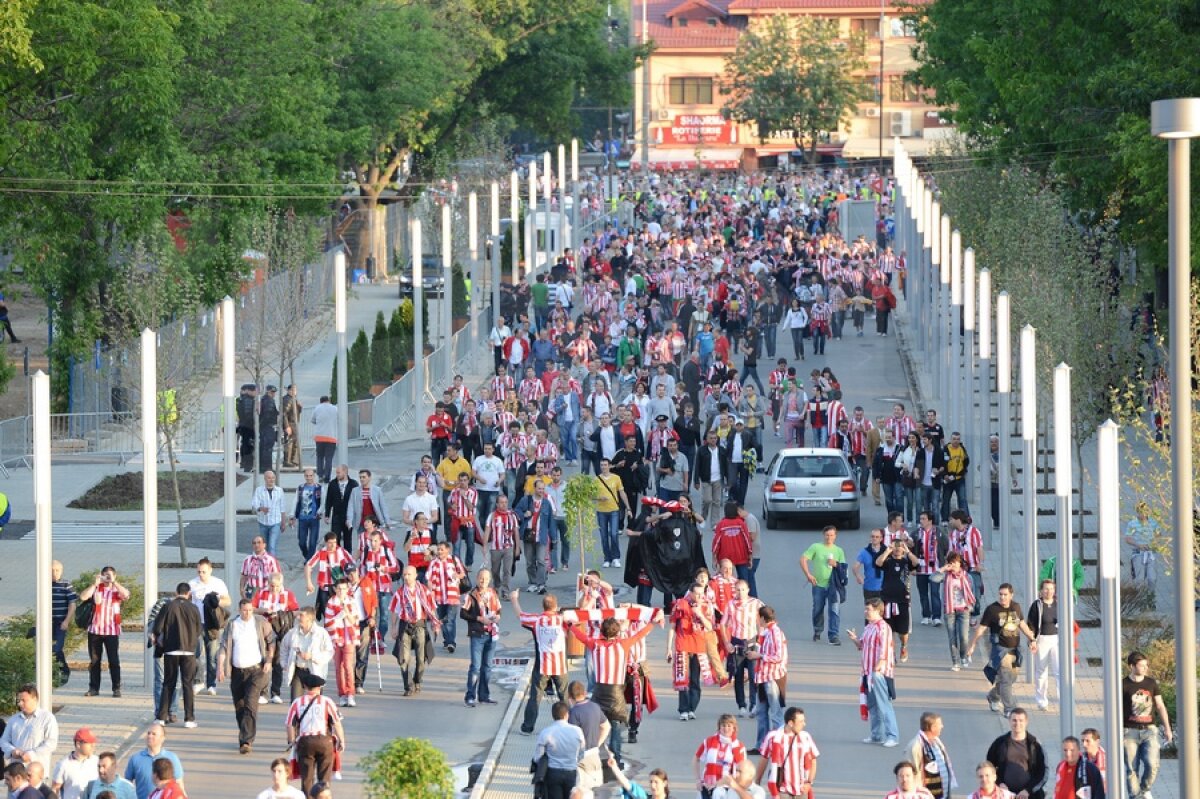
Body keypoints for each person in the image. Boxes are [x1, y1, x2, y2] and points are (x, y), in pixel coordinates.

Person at [965, 583, 1038, 716]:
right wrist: (972, 645)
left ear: (1011, 595)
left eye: (1005, 595)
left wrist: (1031, 639)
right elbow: (981, 629)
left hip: (1015, 649)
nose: (1002, 597)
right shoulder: (992, 610)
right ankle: (1009, 709)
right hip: (1000, 650)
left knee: (1011, 678)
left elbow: (1021, 624)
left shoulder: (1016, 607)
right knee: (1006, 679)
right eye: (1000, 594)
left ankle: (993, 696)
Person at [216, 598, 276, 753]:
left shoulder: (260, 622)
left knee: (250, 703)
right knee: (240, 706)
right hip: (237, 671)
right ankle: (244, 733)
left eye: (250, 610)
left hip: (256, 670)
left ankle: (246, 741)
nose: (247, 613)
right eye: (244, 610)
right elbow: (223, 646)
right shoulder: (232, 625)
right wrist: (220, 668)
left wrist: (269, 660)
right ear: (239, 610)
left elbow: (272, 641)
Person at [512, 591, 570, 735]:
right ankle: (570, 724)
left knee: (535, 697)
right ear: (556, 606)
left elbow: (520, 615)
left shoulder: (536, 620)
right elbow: (582, 616)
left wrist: (514, 599)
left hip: (542, 666)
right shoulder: (563, 619)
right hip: (560, 666)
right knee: (564, 696)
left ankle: (527, 727)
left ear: (543, 606)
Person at [846, 599, 898, 747]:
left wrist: (879, 666)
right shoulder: (869, 627)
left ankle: (892, 736)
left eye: (868, 609)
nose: (865, 611)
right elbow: (862, 645)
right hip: (867, 671)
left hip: (878, 672)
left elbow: (886, 649)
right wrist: (855, 639)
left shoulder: (883, 627)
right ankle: (876, 735)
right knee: (873, 705)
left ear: (877, 610)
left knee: (884, 704)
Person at [1122, 650, 1172, 799]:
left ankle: (1144, 789)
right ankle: (1135, 797)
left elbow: (1160, 705)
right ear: (1132, 666)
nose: (1145, 668)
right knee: (1132, 769)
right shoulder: (1123, 685)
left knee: (1152, 764)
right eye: (1141, 665)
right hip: (1129, 731)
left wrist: (1167, 728)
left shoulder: (1151, 683)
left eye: (1146, 665)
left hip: (1149, 730)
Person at [285, 673, 345, 796]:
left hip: (305, 742)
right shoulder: (327, 701)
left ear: (305, 686)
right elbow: (336, 723)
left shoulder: (297, 702)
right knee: (324, 777)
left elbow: (290, 724)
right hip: (324, 741)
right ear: (319, 688)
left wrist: (292, 741)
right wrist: (341, 740)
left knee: (307, 778)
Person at [152, 583, 201, 727]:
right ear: (189, 593)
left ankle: (161, 717)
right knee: (187, 685)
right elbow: (199, 629)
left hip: (171, 650)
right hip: (189, 651)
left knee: (168, 683)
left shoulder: (168, 606)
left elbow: (157, 627)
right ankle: (189, 719)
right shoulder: (194, 608)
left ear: (176, 592)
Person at [387, 566, 441, 695]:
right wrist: (393, 627)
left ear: (416, 575)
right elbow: (394, 611)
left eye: (409, 574)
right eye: (404, 574)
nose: (406, 577)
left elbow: (432, 609)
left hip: (420, 626)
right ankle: (408, 686)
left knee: (421, 659)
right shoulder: (399, 592)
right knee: (403, 659)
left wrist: (435, 624)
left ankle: (417, 680)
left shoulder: (424, 591)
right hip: (405, 626)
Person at [78, 565, 131, 698]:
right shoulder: (97, 588)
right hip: (95, 630)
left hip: (112, 631)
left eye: (110, 575)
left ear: (115, 576)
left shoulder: (116, 589)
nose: (107, 578)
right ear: (101, 575)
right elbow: (83, 597)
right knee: (95, 661)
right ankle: (94, 688)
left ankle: (116, 688)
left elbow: (126, 595)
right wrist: (94, 584)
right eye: (105, 575)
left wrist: (114, 582)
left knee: (114, 660)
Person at [253, 572, 300, 704]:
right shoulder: (262, 593)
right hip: (264, 630)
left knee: (278, 662)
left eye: (277, 586)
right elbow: (252, 608)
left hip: (280, 630)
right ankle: (263, 692)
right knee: (264, 660)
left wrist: (281, 615)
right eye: (272, 586)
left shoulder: (288, 594)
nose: (274, 589)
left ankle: (276, 692)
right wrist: (262, 610)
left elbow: (296, 611)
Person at [188, 558, 231, 696]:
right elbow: (187, 601)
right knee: (196, 654)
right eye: (199, 572)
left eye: (204, 572)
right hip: (197, 622)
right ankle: (198, 680)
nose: (201, 574)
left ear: (210, 570)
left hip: (212, 623)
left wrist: (216, 601)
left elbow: (228, 601)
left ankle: (211, 684)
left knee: (212, 655)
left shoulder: (218, 583)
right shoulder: (192, 584)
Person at [720, 579, 762, 719]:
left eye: (743, 589)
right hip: (737, 642)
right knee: (737, 675)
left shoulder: (755, 603)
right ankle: (741, 705)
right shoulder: (731, 604)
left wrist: (760, 642)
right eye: (738, 589)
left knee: (753, 675)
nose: (740, 592)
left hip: (751, 641)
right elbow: (723, 624)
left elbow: (763, 622)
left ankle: (754, 704)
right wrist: (727, 643)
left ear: (748, 590)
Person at [747, 605, 787, 754]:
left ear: (763, 618)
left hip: (772, 678)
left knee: (776, 714)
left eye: (758, 618)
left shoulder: (776, 633)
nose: (757, 621)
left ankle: (780, 745)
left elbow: (779, 656)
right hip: (763, 677)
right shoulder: (766, 633)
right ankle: (761, 745)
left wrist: (759, 656)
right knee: (761, 713)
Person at [757, 706, 819, 799]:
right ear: (790, 723)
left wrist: (809, 782)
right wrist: (757, 782)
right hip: (781, 791)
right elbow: (764, 759)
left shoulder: (806, 737)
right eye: (801, 722)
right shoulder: (773, 737)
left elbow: (813, 761)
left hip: (802, 790)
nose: (804, 724)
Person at [460, 569, 501, 707]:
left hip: (492, 634)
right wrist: (479, 618)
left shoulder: (492, 593)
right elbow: (463, 614)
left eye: (486, 578)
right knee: (475, 667)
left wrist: (497, 617)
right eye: (481, 578)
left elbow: (498, 609)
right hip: (477, 634)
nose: (483, 581)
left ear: (489, 579)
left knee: (487, 667)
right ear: (477, 579)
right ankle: (470, 696)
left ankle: (484, 696)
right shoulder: (471, 595)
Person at [985, 709, 1047, 799]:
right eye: (1014, 720)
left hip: (1030, 795)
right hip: (1004, 795)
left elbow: (1043, 772)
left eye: (1021, 720)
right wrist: (999, 783)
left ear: (1026, 722)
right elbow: (988, 767)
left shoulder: (1035, 745)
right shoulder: (1000, 743)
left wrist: (1028, 790)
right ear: (1009, 721)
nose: (1017, 724)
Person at [799, 526, 846, 645]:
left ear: (835, 536)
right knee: (818, 609)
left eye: (832, 535)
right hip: (818, 584)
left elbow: (844, 569)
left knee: (834, 610)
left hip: (834, 585)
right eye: (827, 535)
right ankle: (818, 630)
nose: (829, 537)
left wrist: (836, 564)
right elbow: (803, 559)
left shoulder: (838, 550)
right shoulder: (816, 547)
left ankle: (833, 635)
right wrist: (808, 575)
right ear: (823, 535)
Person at [280, 607, 334, 702]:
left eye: (301, 616)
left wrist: (312, 656)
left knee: (315, 703)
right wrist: (284, 663)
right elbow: (284, 647)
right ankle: (297, 717)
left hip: (314, 671)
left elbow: (329, 652)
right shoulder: (292, 633)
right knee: (296, 702)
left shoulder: (321, 633)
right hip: (298, 671)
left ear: (309, 619)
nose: (298, 618)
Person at [0, 683, 58, 772]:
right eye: (19, 700)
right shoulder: (13, 720)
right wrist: (12, 751)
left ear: (35, 699)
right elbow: (3, 741)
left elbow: (51, 743)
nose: (20, 703)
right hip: (16, 772)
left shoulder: (47, 718)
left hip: (36, 772)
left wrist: (31, 754)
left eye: (24, 700)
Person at [534, 702, 586, 799]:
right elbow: (582, 753)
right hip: (571, 772)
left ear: (553, 715)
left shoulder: (546, 732)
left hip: (553, 773)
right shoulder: (577, 731)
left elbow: (538, 757)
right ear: (567, 715)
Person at [694, 715, 748, 799]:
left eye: (729, 726)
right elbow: (696, 759)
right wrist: (698, 780)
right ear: (719, 727)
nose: (726, 728)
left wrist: (721, 784)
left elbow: (742, 770)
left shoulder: (739, 746)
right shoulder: (709, 741)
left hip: (728, 787)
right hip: (707, 785)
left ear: (734, 728)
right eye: (723, 725)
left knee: (718, 793)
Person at [123, 725, 184, 799]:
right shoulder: (135, 758)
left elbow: (179, 784)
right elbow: (127, 784)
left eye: (154, 734)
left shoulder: (172, 758)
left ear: (162, 738)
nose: (149, 736)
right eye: (148, 733)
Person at [304, 533, 354, 621]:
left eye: (334, 542)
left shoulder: (341, 552)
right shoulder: (321, 553)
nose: (333, 545)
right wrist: (309, 582)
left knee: (342, 613)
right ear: (326, 542)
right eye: (330, 543)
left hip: (339, 588)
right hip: (325, 588)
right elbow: (308, 565)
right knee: (327, 615)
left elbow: (352, 565)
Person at [906, 712, 956, 799]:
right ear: (932, 728)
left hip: (942, 794)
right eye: (939, 724)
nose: (942, 726)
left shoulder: (936, 741)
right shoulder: (916, 746)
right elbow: (911, 773)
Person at [940, 552, 976, 671]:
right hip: (950, 610)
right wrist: (943, 569)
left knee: (963, 636)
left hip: (963, 609)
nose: (954, 565)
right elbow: (933, 578)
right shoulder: (946, 576)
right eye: (951, 562)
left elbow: (972, 592)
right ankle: (956, 662)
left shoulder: (967, 576)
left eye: (955, 562)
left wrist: (971, 606)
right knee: (952, 637)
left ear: (960, 563)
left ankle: (963, 656)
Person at [1028, 579, 1060, 711]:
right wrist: (1032, 640)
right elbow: (1031, 624)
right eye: (1046, 589)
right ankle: (1042, 701)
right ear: (1041, 591)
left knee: (1059, 671)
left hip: (1057, 640)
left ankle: (1063, 700)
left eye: (1051, 589)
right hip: (1042, 639)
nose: (1049, 592)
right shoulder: (1037, 605)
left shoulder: (1059, 603)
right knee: (1041, 671)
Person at [913, 512, 947, 626]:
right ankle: (926, 615)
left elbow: (946, 547)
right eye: (920, 518)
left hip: (935, 569)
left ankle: (936, 617)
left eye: (923, 518)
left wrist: (943, 563)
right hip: (921, 569)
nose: (921, 521)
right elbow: (911, 548)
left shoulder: (939, 532)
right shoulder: (917, 533)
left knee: (934, 593)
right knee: (923, 594)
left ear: (930, 520)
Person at [1123, 502, 1161, 604]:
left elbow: (1158, 534)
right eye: (1140, 512)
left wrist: (1153, 542)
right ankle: (1140, 601)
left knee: (1152, 578)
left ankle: (1150, 599)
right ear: (1137, 512)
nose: (1143, 515)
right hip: (1138, 553)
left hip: (1151, 554)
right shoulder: (1132, 524)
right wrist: (1138, 545)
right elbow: (1127, 538)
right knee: (1139, 579)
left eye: (1145, 512)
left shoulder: (1153, 523)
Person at [51, 728, 99, 799]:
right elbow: (55, 789)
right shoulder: (64, 765)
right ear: (78, 744)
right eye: (89, 743)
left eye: (94, 743)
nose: (93, 746)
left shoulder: (97, 761)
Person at [50, 561, 78, 684]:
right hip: (47, 622)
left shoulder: (66, 585)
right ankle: (50, 672)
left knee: (57, 648)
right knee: (43, 646)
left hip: (61, 621)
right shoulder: (44, 584)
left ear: (61, 571)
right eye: (52, 570)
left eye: (57, 570)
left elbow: (73, 604)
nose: (54, 573)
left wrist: (66, 621)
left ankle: (64, 670)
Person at [252, 472, 289, 558]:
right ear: (265, 479)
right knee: (264, 546)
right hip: (263, 522)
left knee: (272, 546)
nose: (271, 480)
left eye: (273, 478)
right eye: (269, 478)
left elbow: (282, 507)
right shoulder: (259, 490)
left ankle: (272, 567)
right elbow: (255, 503)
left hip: (276, 522)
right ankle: (264, 563)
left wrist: (283, 522)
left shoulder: (279, 490)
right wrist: (261, 508)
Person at [323, 466, 359, 554]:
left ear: (345, 472)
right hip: (336, 515)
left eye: (339, 473)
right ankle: (337, 557)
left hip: (348, 516)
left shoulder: (353, 484)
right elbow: (329, 500)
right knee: (335, 537)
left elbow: (357, 501)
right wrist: (327, 514)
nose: (337, 475)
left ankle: (347, 559)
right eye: (336, 473)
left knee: (347, 539)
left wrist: (356, 515)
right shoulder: (333, 484)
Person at [240, 535, 283, 601]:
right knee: (251, 610)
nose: (256, 545)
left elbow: (278, 577)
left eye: (259, 542)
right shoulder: (248, 559)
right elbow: (244, 576)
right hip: (251, 591)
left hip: (266, 590)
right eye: (254, 543)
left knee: (265, 610)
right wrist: (242, 590)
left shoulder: (271, 560)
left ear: (264, 545)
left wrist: (279, 592)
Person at [853, 529, 887, 603]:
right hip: (869, 588)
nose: (874, 538)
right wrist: (858, 576)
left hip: (885, 588)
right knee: (870, 613)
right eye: (872, 536)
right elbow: (855, 567)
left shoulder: (886, 551)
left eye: (877, 537)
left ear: (881, 539)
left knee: (884, 613)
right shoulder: (864, 552)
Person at [310, 396, 338, 483]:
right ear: (329, 401)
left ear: (320, 401)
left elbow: (313, 420)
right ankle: (327, 477)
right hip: (331, 437)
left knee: (320, 457)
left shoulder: (317, 408)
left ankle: (320, 475)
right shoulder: (335, 408)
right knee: (328, 458)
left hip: (319, 438)